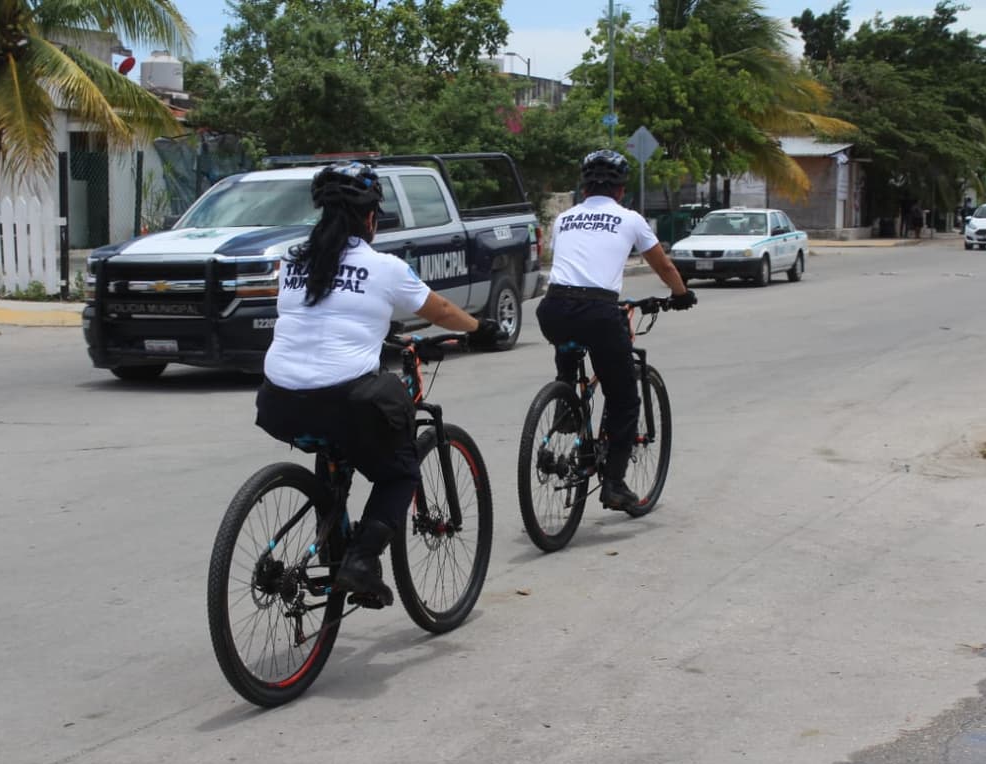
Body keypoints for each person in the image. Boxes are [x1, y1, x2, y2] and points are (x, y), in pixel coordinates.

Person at [255, 161, 501, 606]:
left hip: (277, 402)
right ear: (371, 217)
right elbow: (440, 309)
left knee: (335, 438)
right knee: (400, 470)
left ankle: (332, 538)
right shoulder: (383, 267)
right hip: (342, 400)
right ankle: (362, 561)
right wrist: (479, 328)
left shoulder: (291, 259)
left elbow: (321, 317)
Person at [535, 149, 696, 511]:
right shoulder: (630, 219)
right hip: (598, 311)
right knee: (624, 398)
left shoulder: (564, 219)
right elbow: (665, 267)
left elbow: (576, 264)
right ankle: (614, 484)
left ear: (584, 187)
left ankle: (566, 401)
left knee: (570, 342)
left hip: (553, 308)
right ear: (621, 191)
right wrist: (681, 295)